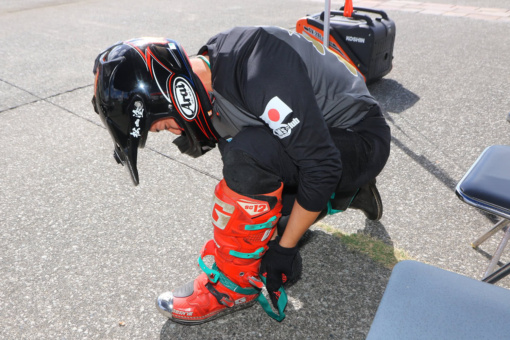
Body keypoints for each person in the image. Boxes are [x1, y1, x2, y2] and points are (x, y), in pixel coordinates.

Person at [91, 26, 391, 325]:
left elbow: (319, 166)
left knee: (248, 157)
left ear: (173, 96)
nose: (173, 132)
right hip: (326, 140)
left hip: (361, 138)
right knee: (263, 212)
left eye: (164, 126)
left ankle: (235, 288)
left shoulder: (259, 73)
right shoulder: (211, 72)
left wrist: (285, 250)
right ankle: (350, 191)